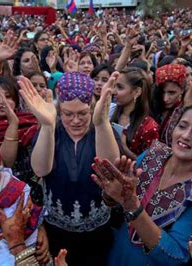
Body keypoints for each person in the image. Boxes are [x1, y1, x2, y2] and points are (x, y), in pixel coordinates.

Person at [92, 100, 192, 265]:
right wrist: (113, 193)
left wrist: (133, 206)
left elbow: (175, 256)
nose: (185, 135)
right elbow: (120, 206)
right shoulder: (153, 155)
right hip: (117, 256)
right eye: (182, 126)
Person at [19, 72, 121, 265]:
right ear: (59, 109)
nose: (75, 121)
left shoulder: (102, 129)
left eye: (82, 113)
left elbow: (110, 169)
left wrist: (101, 123)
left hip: (97, 232)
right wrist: (47, 126)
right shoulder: (52, 130)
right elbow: (40, 170)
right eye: (68, 114)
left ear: (92, 107)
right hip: (57, 228)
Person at [110, 67, 159, 159]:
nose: (113, 91)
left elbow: (149, 165)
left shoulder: (149, 127)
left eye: (120, 87)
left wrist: (124, 148)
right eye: (114, 86)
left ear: (137, 92)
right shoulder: (110, 112)